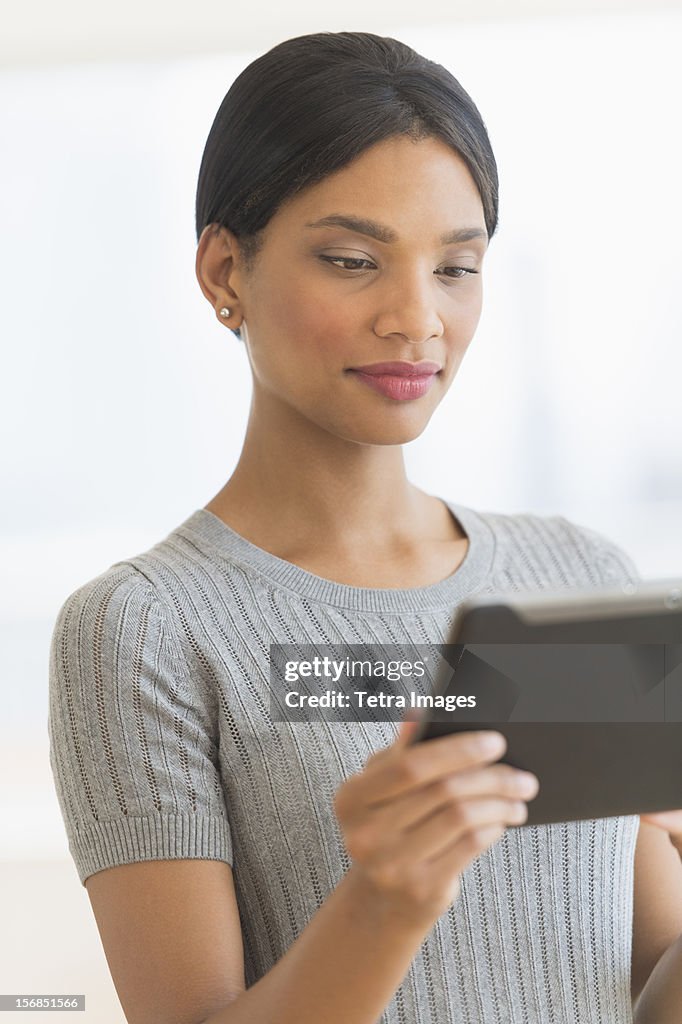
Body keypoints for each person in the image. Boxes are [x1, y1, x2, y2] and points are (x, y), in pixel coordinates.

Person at [47, 30, 682, 1024]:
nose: (415, 319)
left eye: (455, 267)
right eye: (352, 260)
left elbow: (649, 990)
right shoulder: (144, 628)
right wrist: (385, 899)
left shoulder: (578, 580)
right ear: (223, 271)